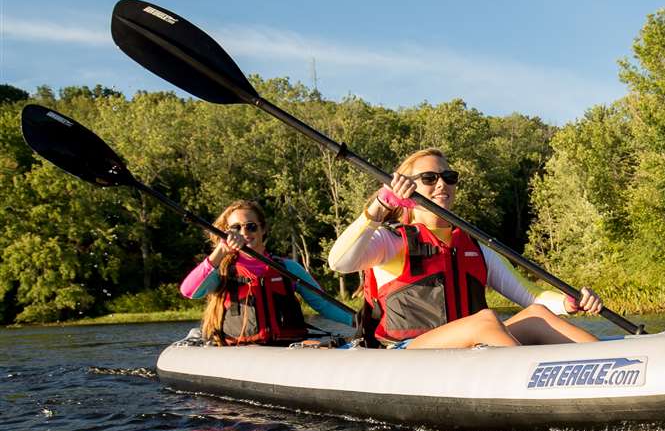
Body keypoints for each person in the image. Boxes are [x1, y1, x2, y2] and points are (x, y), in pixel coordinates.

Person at [328, 148, 603, 349]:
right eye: (429, 178)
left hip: (470, 349)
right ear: (406, 185)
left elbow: (532, 297)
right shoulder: (391, 241)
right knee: (484, 320)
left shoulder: (475, 247)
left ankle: (608, 363)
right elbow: (339, 262)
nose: (441, 184)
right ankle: (532, 381)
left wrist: (567, 302)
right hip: (406, 352)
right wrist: (381, 203)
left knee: (538, 316)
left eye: (449, 176)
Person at [181, 200, 354, 345]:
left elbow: (324, 304)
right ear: (227, 232)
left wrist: (360, 321)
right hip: (240, 350)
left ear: (262, 229)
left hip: (286, 346)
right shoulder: (223, 270)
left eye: (251, 227)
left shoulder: (288, 268)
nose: (244, 233)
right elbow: (189, 291)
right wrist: (220, 251)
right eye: (236, 228)